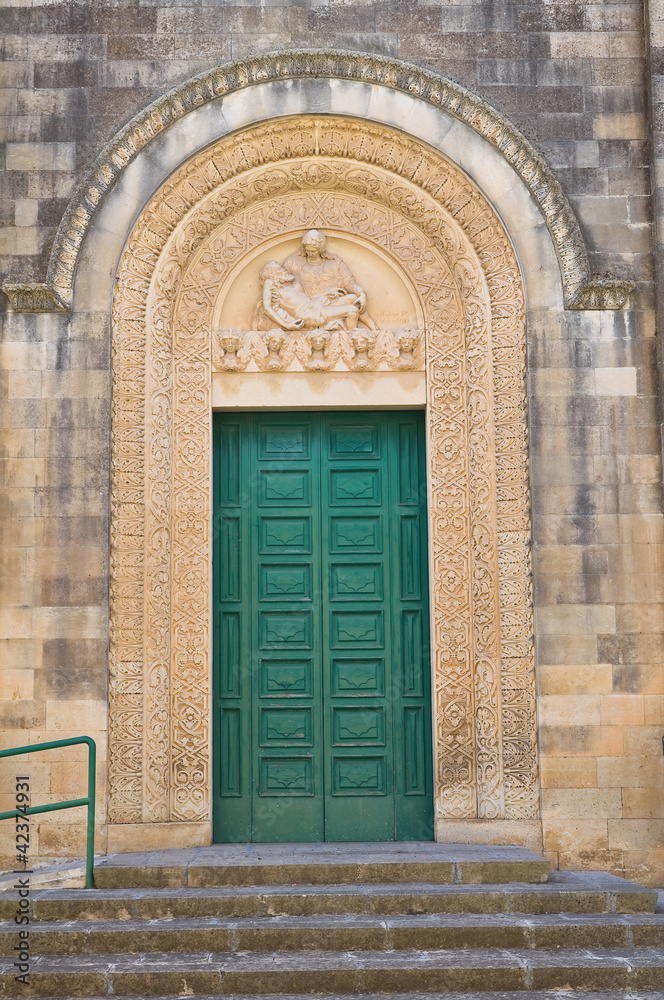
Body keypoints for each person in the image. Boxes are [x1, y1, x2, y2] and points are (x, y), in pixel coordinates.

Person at [256, 260, 361, 332]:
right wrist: (287, 325)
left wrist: (328, 293)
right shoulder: (270, 283)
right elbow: (267, 308)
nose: (283, 270)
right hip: (307, 314)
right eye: (279, 269)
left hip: (314, 304)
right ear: (272, 274)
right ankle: (350, 340)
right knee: (352, 310)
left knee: (352, 298)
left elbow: (308, 298)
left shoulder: (290, 284)